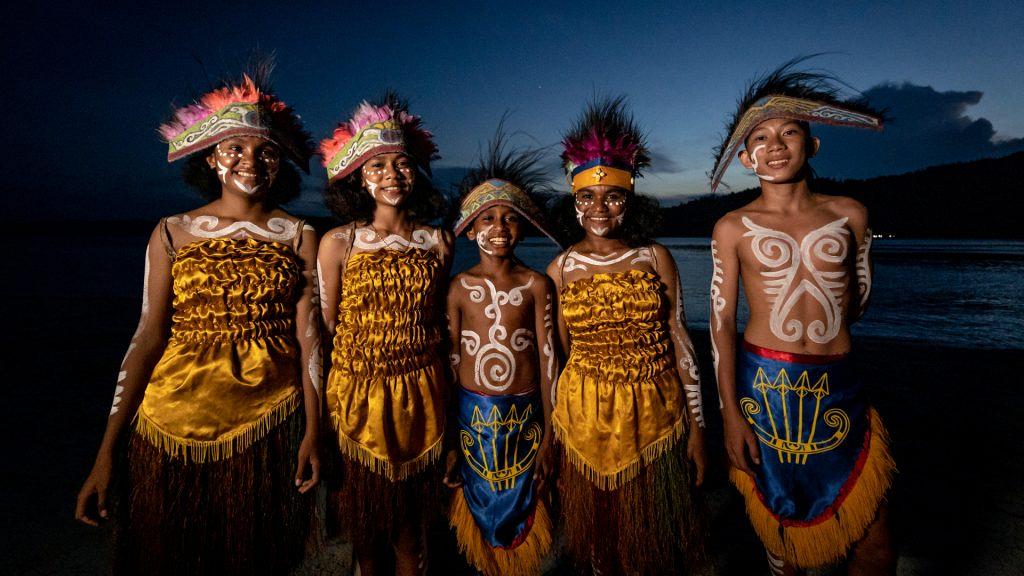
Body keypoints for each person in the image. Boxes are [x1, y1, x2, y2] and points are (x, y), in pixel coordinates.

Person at [74, 67, 322, 575]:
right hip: (169, 421)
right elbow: (147, 336)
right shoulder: (171, 231)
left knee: (257, 558)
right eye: (234, 149)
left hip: (268, 420)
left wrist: (314, 430)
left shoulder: (299, 233)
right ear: (210, 158)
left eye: (265, 151)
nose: (250, 161)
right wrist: (106, 453)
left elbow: (309, 338)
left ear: (280, 163)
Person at [708, 58, 896, 575]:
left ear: (812, 145)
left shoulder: (850, 214)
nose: (774, 146)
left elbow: (857, 302)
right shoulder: (732, 226)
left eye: (788, 133)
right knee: (784, 544)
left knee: (875, 542)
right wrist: (730, 414)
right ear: (746, 158)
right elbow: (721, 326)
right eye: (761, 139)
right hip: (766, 388)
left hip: (841, 386)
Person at [546, 97, 707, 575]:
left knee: (649, 544)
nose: (600, 208)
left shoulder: (655, 257)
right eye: (587, 198)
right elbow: (559, 356)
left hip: (655, 415)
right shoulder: (561, 269)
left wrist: (699, 430)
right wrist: (553, 438)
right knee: (599, 544)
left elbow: (680, 340)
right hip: (583, 418)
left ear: (630, 202)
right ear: (573, 203)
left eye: (613, 197)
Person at [317, 94, 452, 576]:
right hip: (355, 399)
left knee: (412, 535)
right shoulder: (339, 242)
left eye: (402, 164)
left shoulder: (437, 240)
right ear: (358, 176)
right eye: (378, 165)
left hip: (422, 396)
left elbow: (439, 324)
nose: (393, 174)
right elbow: (327, 330)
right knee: (366, 534)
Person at [443, 127, 561, 576]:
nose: (499, 228)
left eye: (509, 218)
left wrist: (551, 435)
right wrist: (453, 440)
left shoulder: (536, 285)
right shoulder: (458, 288)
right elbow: (452, 366)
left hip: (525, 416)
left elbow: (549, 363)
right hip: (474, 420)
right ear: (471, 229)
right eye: (487, 219)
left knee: (529, 518)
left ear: (523, 226)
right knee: (478, 527)